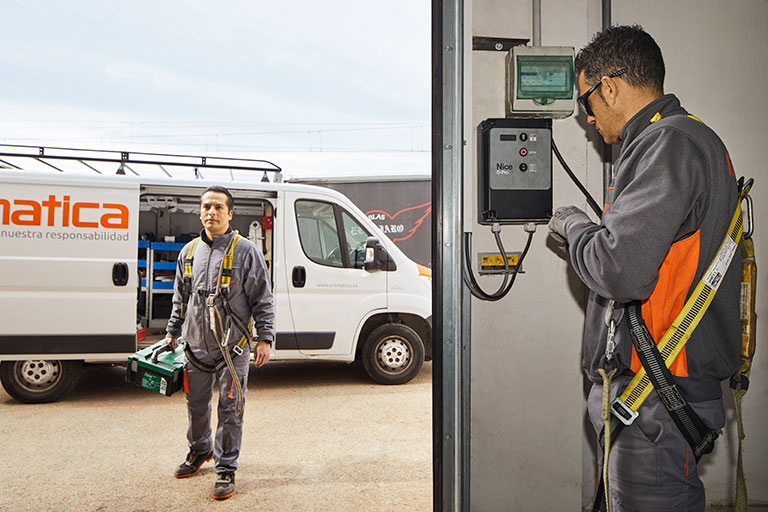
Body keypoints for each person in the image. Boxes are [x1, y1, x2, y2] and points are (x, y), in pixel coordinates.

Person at [548, 25, 741, 511]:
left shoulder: (668, 144)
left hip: (656, 398)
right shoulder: (680, 141)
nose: (588, 119)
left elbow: (619, 270)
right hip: (654, 397)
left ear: (609, 87)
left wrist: (572, 226)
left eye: (586, 103)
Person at [163, 185, 274, 500]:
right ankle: (200, 451)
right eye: (206, 207)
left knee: (230, 409)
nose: (211, 212)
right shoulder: (189, 252)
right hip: (196, 347)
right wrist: (172, 333)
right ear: (200, 211)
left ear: (230, 213)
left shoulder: (246, 252)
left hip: (233, 348)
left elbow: (263, 299)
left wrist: (264, 338)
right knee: (195, 405)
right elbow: (180, 297)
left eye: (217, 207)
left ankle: (226, 467)